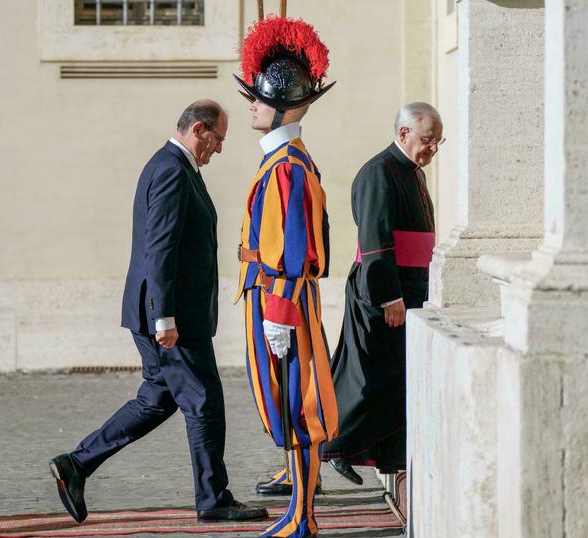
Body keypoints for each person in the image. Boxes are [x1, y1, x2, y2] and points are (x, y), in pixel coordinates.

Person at [48, 100, 267, 524]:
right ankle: (213, 499)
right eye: (218, 139)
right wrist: (163, 316)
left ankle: (77, 463)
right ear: (199, 129)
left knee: (157, 398)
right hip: (172, 317)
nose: (219, 148)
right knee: (204, 402)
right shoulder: (171, 169)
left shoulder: (176, 167)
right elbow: (160, 248)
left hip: (166, 312)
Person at [233, 12, 338, 538]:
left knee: (300, 408)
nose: (250, 102)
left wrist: (276, 311)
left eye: (257, 95)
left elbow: (293, 251)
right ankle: (299, 511)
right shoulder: (282, 161)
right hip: (276, 297)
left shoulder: (288, 166)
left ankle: (303, 518)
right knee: (288, 407)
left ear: (278, 103)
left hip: (283, 301)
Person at [322, 102, 443, 484]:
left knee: (396, 378)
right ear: (404, 133)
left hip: (409, 287)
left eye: (439, 142)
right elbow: (374, 241)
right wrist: (389, 297)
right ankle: (336, 446)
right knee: (368, 377)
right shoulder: (378, 172)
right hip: (384, 292)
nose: (433, 149)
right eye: (428, 139)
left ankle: (391, 457)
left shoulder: (412, 173)